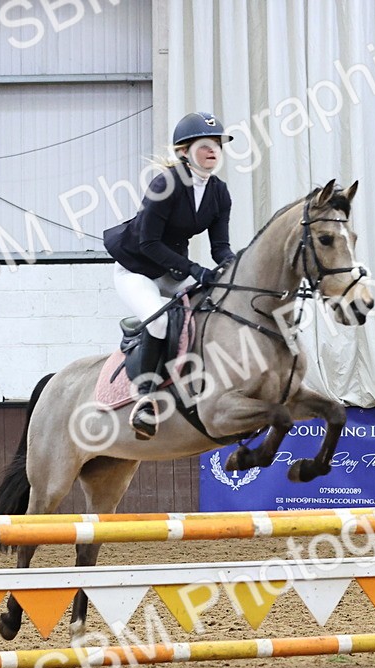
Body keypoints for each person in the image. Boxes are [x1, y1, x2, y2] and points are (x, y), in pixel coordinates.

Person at [103, 110, 237, 439]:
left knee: (211, 308)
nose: (213, 150)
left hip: (171, 269)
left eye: (217, 144)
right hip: (136, 269)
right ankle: (145, 399)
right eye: (205, 145)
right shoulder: (165, 184)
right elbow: (148, 243)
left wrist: (236, 268)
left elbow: (220, 248)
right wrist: (193, 269)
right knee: (161, 322)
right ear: (184, 151)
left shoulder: (219, 192)